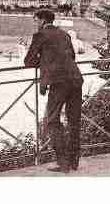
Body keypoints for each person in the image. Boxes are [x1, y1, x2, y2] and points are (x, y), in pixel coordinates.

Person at [24, 9, 83, 173]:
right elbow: (72, 55)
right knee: (74, 121)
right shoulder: (64, 34)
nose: (35, 24)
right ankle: (74, 161)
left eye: (35, 20)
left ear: (42, 20)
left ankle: (63, 163)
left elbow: (28, 61)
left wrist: (44, 62)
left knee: (52, 120)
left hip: (58, 82)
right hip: (76, 79)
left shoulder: (40, 35)